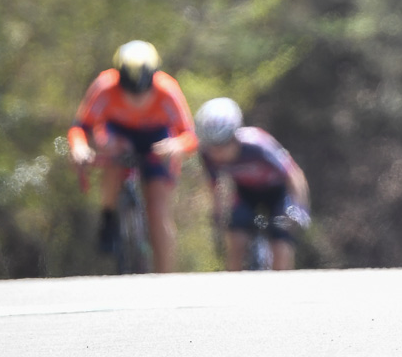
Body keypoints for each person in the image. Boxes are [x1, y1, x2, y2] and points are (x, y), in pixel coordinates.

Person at [67, 40, 198, 273]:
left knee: (158, 210)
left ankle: (165, 275)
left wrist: (176, 145)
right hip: (118, 134)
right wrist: (79, 148)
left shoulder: (168, 90)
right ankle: (108, 214)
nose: (136, 99)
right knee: (113, 150)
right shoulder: (104, 87)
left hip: (156, 139)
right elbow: (80, 127)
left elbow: (189, 136)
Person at [195, 97, 311, 271]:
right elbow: (215, 186)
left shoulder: (257, 145)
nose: (216, 153)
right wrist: (218, 218)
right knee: (236, 240)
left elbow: (293, 174)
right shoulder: (206, 155)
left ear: (234, 137)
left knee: (280, 242)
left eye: (222, 146)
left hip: (278, 192)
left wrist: (299, 207)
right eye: (211, 147)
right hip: (246, 192)